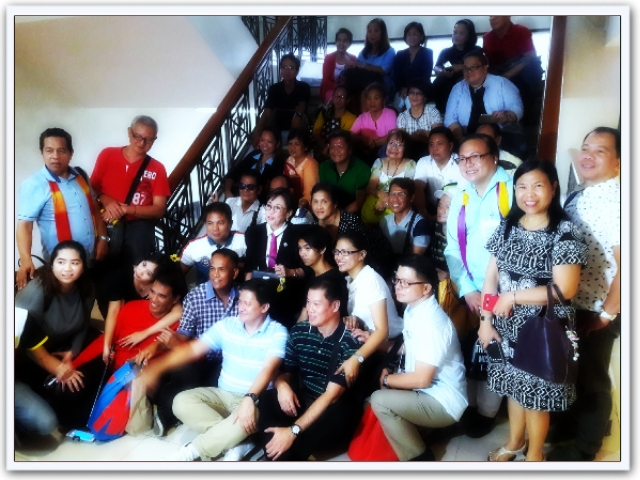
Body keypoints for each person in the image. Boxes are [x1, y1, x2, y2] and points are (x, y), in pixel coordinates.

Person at [478, 158, 588, 462]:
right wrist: (485, 321)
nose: (529, 194)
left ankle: (535, 457)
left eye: (538, 186)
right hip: (505, 326)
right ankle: (515, 442)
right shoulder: (508, 226)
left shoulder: (565, 232)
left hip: (542, 329)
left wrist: (512, 297)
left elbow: (564, 290)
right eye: (522, 186)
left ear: (553, 188)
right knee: (514, 388)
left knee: (535, 398)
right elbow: (490, 278)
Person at [137, 279, 288, 462]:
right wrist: (158, 367)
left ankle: (189, 453)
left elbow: (268, 369)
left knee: (248, 417)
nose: (241, 307)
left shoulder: (277, 332)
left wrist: (249, 399)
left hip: (255, 400)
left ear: (264, 307)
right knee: (181, 401)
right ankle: (238, 442)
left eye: (247, 303)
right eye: (240, 301)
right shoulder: (227, 325)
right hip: (222, 394)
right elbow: (192, 350)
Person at [547, 127, 621, 462]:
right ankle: (568, 428)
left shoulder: (617, 202)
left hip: (598, 307)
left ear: (618, 162)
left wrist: (607, 313)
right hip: (574, 302)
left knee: (593, 378)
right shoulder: (580, 194)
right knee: (572, 371)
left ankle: (586, 448)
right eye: (586, 147)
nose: (588, 155)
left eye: (600, 151)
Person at [444, 134, 513, 438]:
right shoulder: (461, 195)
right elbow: (452, 248)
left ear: (494, 157)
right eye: (462, 158)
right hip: (471, 290)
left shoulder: (514, 189)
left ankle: (487, 411)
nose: (467, 163)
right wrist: (467, 288)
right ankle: (470, 405)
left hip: (507, 292)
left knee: (497, 351)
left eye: (475, 156)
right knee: (472, 348)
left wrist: (493, 294)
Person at [66, 263, 189, 429]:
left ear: (174, 299)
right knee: (74, 391)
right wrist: (74, 364)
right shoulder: (131, 308)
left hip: (142, 382)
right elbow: (104, 341)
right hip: (112, 372)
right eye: (152, 292)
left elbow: (185, 356)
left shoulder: (179, 324)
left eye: (162, 296)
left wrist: (169, 346)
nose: (153, 299)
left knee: (109, 416)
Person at [371, 255, 467, 461]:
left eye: (406, 283)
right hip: (428, 390)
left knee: (379, 400)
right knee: (378, 394)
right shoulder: (413, 309)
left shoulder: (431, 322)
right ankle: (426, 432)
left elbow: (422, 379)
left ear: (426, 288)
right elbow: (410, 347)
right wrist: (376, 344)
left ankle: (420, 459)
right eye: (397, 279)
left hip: (443, 400)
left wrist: (387, 380)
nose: (398, 286)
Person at [136, 248, 241, 435]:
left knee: (214, 386)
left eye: (222, 269)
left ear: (234, 273)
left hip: (231, 360)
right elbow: (183, 335)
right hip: (202, 358)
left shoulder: (243, 297)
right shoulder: (195, 297)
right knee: (184, 371)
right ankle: (167, 413)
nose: (215, 275)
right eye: (212, 268)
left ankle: (174, 413)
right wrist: (157, 345)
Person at [256, 278, 363, 461]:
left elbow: (331, 395)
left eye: (316, 304)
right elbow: (285, 372)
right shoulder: (299, 332)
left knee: (340, 411)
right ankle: (278, 451)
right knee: (267, 398)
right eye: (308, 302)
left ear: (335, 305)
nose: (309, 309)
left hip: (331, 409)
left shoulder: (350, 341)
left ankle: (284, 454)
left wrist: (293, 431)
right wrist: (282, 386)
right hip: (305, 400)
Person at [15, 241, 95, 430]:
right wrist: (57, 367)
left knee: (94, 364)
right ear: (51, 265)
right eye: (61, 262)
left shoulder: (86, 288)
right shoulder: (36, 293)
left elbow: (84, 323)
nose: (67, 269)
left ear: (83, 266)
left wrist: (73, 352)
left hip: (61, 347)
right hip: (30, 356)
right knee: (64, 390)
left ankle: (86, 417)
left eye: (75, 263)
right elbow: (23, 340)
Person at [16, 128, 108, 291]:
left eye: (61, 150)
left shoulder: (80, 176)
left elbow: (94, 209)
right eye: (49, 150)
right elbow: (25, 225)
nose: (55, 156)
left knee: (86, 298)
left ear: (71, 153)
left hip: (89, 259)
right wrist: (26, 260)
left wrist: (102, 238)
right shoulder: (35, 184)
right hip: (61, 266)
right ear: (42, 153)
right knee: (61, 302)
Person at [90, 115, 170, 266]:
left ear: (154, 139)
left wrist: (127, 209)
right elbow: (92, 188)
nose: (141, 143)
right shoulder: (107, 155)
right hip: (107, 222)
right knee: (103, 268)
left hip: (138, 229)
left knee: (135, 271)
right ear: (129, 132)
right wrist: (107, 201)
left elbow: (159, 209)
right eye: (137, 136)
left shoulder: (157, 168)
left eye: (148, 140)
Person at [334, 231, 403, 398]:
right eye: (337, 251)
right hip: (369, 343)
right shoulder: (350, 280)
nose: (339, 257)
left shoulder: (370, 281)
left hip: (391, 347)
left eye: (345, 252)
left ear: (362, 254)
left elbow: (382, 331)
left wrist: (356, 359)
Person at [98, 253, 181, 366]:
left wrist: (144, 334)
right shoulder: (121, 276)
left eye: (148, 273)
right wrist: (107, 346)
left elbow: (178, 311)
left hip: (140, 320)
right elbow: (113, 312)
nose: (140, 271)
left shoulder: (158, 287)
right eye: (144, 264)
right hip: (115, 308)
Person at [244, 188, 305, 329]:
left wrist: (290, 272)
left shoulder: (297, 235)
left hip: (287, 295)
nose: (270, 212)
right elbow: (249, 267)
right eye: (269, 206)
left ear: (288, 213)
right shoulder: (253, 233)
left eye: (277, 208)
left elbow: (307, 270)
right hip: (259, 292)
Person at [311, 183, 394, 280]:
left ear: (335, 203)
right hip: (343, 266)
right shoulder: (314, 225)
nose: (319, 206)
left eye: (324, 201)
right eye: (315, 202)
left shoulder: (351, 223)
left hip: (374, 264)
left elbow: (365, 256)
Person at [444, 52, 524, 146]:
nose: (468, 71)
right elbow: (450, 118)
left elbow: (516, 106)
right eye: (465, 68)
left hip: (498, 134)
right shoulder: (457, 88)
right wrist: (461, 139)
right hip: (467, 136)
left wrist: (507, 116)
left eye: (474, 67)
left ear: (485, 68)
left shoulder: (502, 83)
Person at [482, 16, 544, 119]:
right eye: (490, 16)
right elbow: (488, 65)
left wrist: (508, 75)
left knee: (533, 67)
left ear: (508, 16)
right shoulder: (487, 38)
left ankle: (531, 112)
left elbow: (531, 58)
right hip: (499, 72)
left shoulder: (521, 31)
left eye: (497, 14)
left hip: (520, 70)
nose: (493, 18)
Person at [179, 202, 247, 285]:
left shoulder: (244, 241)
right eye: (210, 223)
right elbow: (177, 275)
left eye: (220, 223)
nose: (215, 228)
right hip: (204, 292)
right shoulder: (194, 247)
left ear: (230, 224)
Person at [252, 54, 310, 145]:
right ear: (280, 70)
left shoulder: (303, 87)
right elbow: (267, 111)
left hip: (297, 119)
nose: (287, 71)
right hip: (278, 120)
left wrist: (297, 117)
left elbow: (302, 107)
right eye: (284, 67)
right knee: (265, 126)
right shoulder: (274, 88)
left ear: (296, 71)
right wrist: (257, 129)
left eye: (291, 68)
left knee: (299, 120)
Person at [362, 129, 416, 225]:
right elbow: (370, 188)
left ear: (406, 148)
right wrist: (383, 196)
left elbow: (407, 191)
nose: (394, 147)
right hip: (377, 200)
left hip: (398, 203)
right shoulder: (379, 162)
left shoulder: (410, 164)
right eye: (391, 143)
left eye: (399, 144)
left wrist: (387, 202)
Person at [342, 18, 396, 112]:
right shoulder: (364, 52)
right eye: (369, 31)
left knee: (365, 90)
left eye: (376, 31)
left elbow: (383, 71)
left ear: (382, 33)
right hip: (362, 85)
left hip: (381, 85)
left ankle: (366, 119)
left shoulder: (390, 51)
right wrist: (351, 66)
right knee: (349, 76)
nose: (372, 34)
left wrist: (363, 65)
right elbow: (356, 67)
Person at [296, 224, 348, 321]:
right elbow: (305, 312)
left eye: (307, 248)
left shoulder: (333, 279)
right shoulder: (313, 275)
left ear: (322, 249)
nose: (302, 253)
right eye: (300, 248)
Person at [431, 19, 483, 114]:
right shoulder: (446, 52)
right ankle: (443, 112)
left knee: (460, 83)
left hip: (467, 79)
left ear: (469, 36)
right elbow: (436, 67)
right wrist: (442, 71)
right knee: (438, 82)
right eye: (455, 32)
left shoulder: (476, 50)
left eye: (461, 33)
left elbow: (480, 67)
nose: (457, 36)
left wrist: (461, 67)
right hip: (448, 79)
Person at [414, 126, 465, 218]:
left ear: (450, 146)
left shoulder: (461, 163)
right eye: (431, 144)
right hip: (431, 208)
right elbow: (418, 188)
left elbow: (464, 194)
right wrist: (425, 215)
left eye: (439, 144)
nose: (435, 148)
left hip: (456, 210)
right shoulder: (424, 162)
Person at [225, 126, 285, 201]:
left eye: (269, 142)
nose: (264, 145)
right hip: (236, 196)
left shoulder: (278, 164)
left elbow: (269, 191)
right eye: (262, 140)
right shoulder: (254, 154)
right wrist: (228, 191)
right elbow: (234, 173)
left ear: (277, 143)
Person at [318, 130, 370, 214]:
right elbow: (321, 193)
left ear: (350, 150)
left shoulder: (362, 169)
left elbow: (359, 203)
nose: (336, 151)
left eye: (340, 146)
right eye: (332, 147)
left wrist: (338, 216)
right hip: (327, 210)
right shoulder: (324, 167)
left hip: (351, 214)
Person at [380, 178, 431, 258]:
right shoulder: (384, 221)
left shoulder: (420, 224)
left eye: (401, 194)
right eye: (392, 194)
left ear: (411, 198)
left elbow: (415, 259)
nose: (395, 199)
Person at [350, 82, 397, 165]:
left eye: (376, 98)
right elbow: (350, 135)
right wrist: (363, 139)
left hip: (383, 151)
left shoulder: (390, 113)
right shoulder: (362, 117)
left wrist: (375, 142)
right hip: (365, 150)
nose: (372, 102)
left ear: (383, 100)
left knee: (386, 147)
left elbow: (393, 136)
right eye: (369, 98)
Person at [396, 79, 444, 159]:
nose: (415, 96)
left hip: (430, 150)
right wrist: (424, 135)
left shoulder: (433, 113)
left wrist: (415, 137)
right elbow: (402, 141)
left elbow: (438, 137)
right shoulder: (402, 116)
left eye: (419, 93)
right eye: (411, 92)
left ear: (424, 97)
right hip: (409, 152)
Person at [392, 22, 434, 111]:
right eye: (409, 34)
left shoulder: (427, 53)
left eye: (415, 34)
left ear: (421, 36)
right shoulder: (400, 54)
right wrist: (402, 89)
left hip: (421, 89)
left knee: (411, 103)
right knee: (395, 108)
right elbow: (396, 75)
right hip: (401, 90)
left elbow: (425, 75)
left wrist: (409, 90)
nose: (411, 37)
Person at [312, 85, 357, 160]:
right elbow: (316, 133)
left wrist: (331, 150)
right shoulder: (324, 113)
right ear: (332, 97)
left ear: (347, 100)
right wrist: (325, 148)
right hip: (321, 148)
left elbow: (344, 138)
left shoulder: (352, 118)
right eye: (336, 96)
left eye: (342, 96)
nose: (339, 99)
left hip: (339, 151)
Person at [282, 128, 319, 210]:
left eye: (297, 144)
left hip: (302, 204)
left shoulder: (310, 165)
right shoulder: (290, 159)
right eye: (290, 143)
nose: (292, 147)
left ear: (305, 147)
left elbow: (309, 193)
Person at [320, 28, 357, 103]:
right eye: (339, 40)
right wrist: (341, 88)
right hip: (331, 90)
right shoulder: (328, 58)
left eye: (345, 41)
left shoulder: (353, 59)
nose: (341, 43)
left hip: (347, 91)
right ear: (336, 42)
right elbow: (326, 81)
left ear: (349, 43)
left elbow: (354, 81)